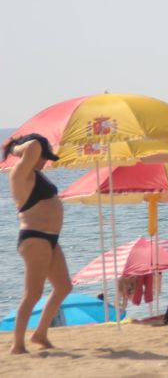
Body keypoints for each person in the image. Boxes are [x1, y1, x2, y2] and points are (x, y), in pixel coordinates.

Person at [4, 134, 72, 355]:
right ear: (30, 154)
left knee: (64, 286)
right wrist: (14, 147)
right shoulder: (20, 173)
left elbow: (35, 149)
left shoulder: (35, 173)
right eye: (44, 156)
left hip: (50, 238)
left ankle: (40, 334)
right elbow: (33, 145)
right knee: (33, 293)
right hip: (35, 237)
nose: (45, 161)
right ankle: (17, 344)